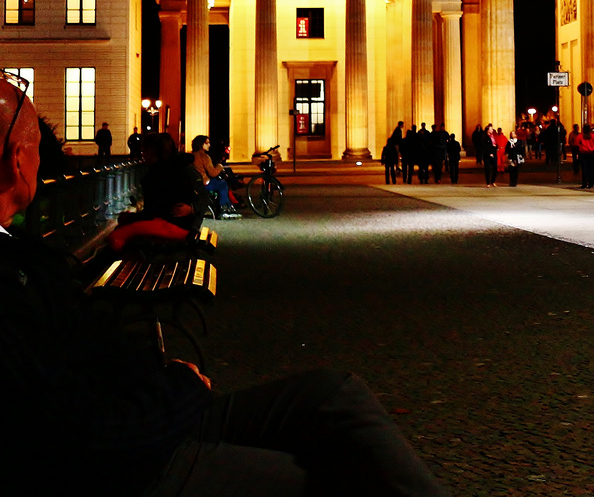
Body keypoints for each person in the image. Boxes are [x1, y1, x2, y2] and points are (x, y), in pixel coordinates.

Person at [0, 80, 449, 497]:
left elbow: (83, 352)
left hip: (139, 413)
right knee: (323, 480)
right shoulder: (11, 274)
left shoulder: (19, 256)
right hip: (130, 460)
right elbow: (72, 430)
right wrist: (178, 385)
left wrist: (160, 375)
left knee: (335, 394)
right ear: (19, 159)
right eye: (41, 150)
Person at [190, 134, 237, 220]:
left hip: (194, 184)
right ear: (201, 144)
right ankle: (224, 208)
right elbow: (212, 173)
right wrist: (219, 166)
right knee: (222, 184)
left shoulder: (191, 156)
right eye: (207, 143)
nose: (209, 145)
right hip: (204, 184)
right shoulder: (204, 157)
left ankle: (226, 206)